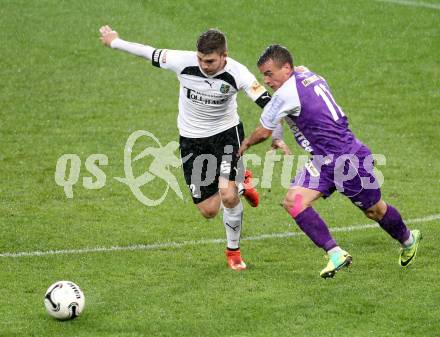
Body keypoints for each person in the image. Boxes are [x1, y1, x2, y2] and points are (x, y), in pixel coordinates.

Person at [99, 25, 283, 270]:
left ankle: (233, 252)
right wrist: (115, 42)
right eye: (200, 59)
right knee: (208, 211)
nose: (203, 65)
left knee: (226, 196)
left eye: (209, 61)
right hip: (192, 142)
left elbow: (270, 105)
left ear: (223, 57)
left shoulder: (238, 73)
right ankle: (241, 184)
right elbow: (147, 52)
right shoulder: (182, 61)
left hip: (226, 136)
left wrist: (276, 136)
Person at [239, 44, 422, 278]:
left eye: (269, 73)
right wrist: (278, 136)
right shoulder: (305, 74)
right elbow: (286, 107)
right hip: (323, 160)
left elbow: (262, 131)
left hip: (348, 160)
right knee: (293, 201)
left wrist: (245, 145)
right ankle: (335, 254)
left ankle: (408, 239)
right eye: (263, 75)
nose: (266, 80)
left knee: (375, 210)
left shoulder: (285, 94)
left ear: (286, 68)